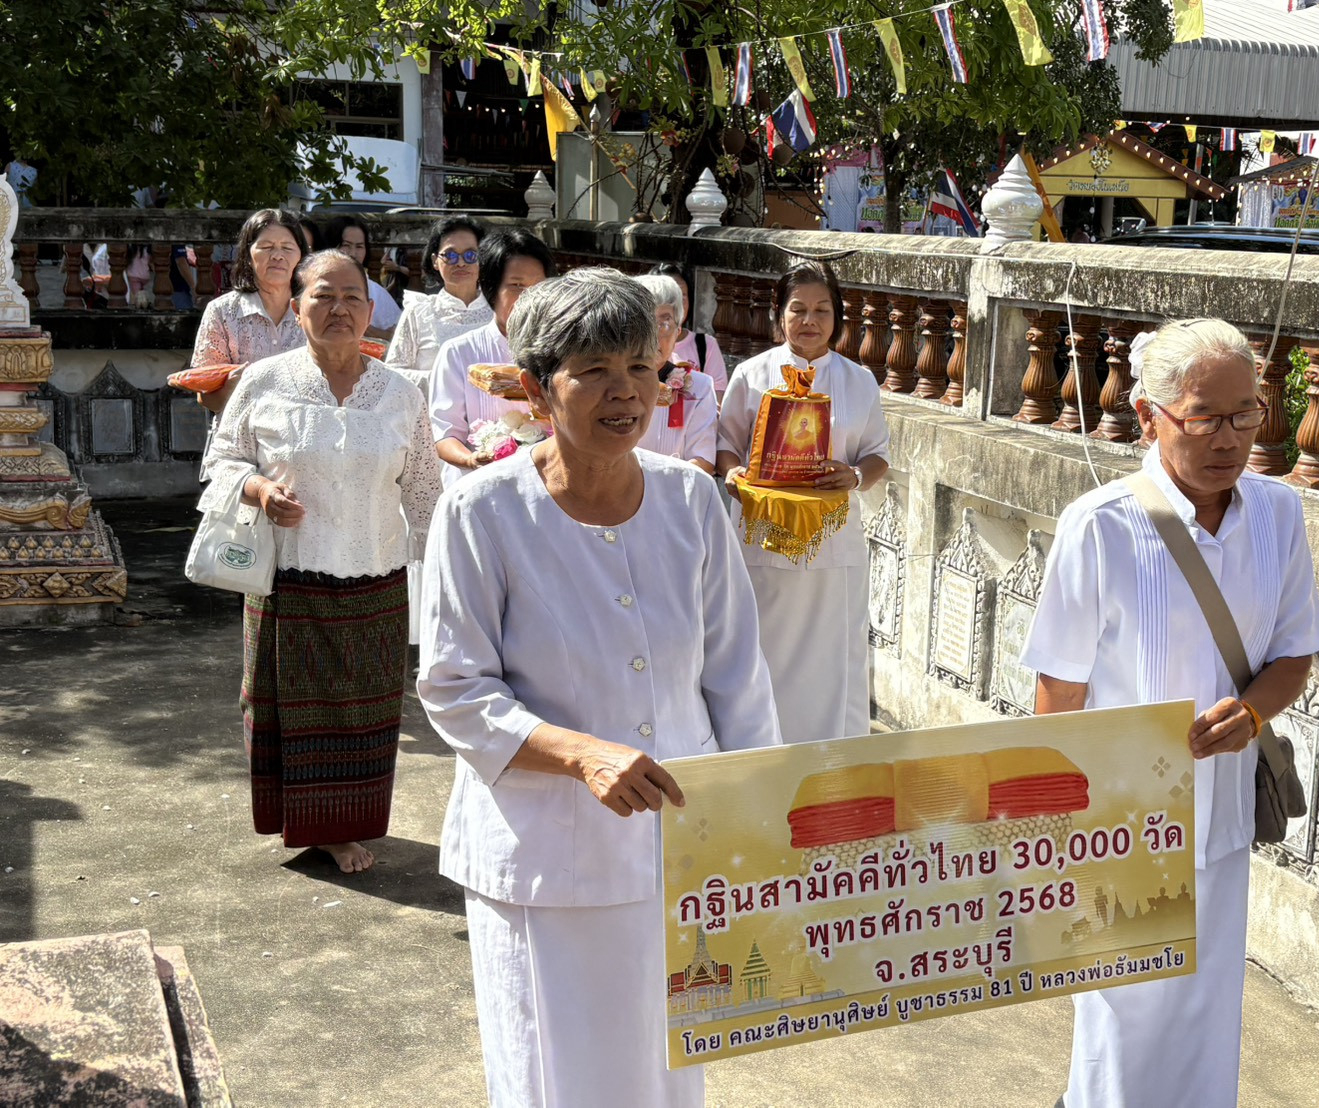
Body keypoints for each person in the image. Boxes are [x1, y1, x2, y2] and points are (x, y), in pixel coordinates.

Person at [417, 267, 782, 1107]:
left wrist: (760, 816)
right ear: (540, 391)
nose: (625, 393)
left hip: (676, 849)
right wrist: (581, 755)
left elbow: (734, 674)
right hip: (543, 860)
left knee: (663, 1072)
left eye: (641, 369)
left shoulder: (692, 501)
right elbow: (453, 685)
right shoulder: (482, 512)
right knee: (554, 1073)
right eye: (594, 372)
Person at [1020, 319, 1319, 1108]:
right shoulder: (1100, 525)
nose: (1227, 439)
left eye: (1244, 415)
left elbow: (1292, 656)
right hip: (1119, 830)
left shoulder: (1276, 515)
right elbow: (1058, 698)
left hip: (1221, 819)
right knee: (1121, 1035)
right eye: (1202, 417)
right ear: (1151, 414)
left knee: (1203, 1026)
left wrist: (1251, 716)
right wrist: (1061, 836)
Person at [201, 250, 440, 875]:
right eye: (323, 297)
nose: (340, 310)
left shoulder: (401, 393)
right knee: (288, 711)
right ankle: (307, 825)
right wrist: (257, 490)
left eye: (354, 298)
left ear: (371, 308)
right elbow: (222, 461)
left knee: (364, 716)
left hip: (376, 579)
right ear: (298, 304)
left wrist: (449, 574)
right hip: (288, 577)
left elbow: (423, 491)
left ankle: (344, 825)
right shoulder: (264, 380)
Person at [715, 260, 890, 746]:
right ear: (779, 315)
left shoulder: (859, 381)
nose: (809, 321)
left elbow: (878, 457)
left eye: (822, 310)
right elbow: (726, 442)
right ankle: (757, 755)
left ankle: (832, 770)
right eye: (798, 309)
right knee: (761, 650)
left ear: (838, 317)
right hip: (764, 537)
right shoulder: (751, 374)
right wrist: (732, 473)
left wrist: (853, 476)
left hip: (833, 543)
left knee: (833, 656)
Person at [428, 229, 554, 486]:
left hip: (547, 484)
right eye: (517, 286)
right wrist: (472, 459)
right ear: (490, 287)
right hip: (477, 485)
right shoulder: (459, 353)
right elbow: (445, 433)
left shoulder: (561, 352)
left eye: (538, 287)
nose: (529, 298)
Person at [192, 210, 309, 418]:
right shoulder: (222, 312)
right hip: (241, 439)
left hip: (303, 438)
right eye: (266, 247)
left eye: (288, 247)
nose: (277, 256)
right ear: (247, 254)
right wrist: (234, 386)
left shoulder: (315, 310)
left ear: (301, 255)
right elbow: (206, 398)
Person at [385, 216, 492, 395]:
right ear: (435, 260)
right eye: (450, 255)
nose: (460, 263)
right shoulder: (419, 311)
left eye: (470, 255)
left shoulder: (499, 311)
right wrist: (443, 379)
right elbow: (392, 375)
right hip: (430, 417)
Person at [632, 273, 717, 473]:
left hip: (674, 496)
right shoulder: (610, 383)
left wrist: (660, 486)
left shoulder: (699, 387)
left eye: (664, 323)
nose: (653, 334)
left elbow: (703, 460)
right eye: (645, 323)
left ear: (678, 331)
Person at [650, 263, 728, 398]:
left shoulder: (704, 345)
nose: (677, 304)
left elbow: (717, 400)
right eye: (669, 298)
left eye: (682, 296)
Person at [321, 214, 401, 341]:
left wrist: (368, 330)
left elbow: (399, 336)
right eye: (346, 245)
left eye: (359, 246)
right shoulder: (316, 287)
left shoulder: (376, 292)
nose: (353, 253)